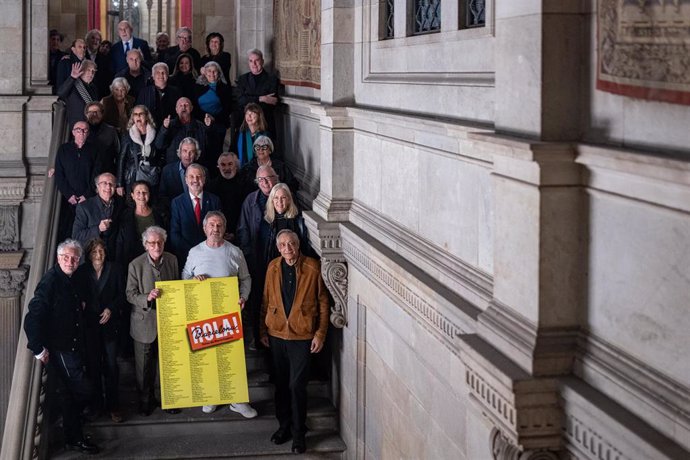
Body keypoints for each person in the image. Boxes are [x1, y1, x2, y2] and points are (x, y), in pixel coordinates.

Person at [24, 239, 100, 454]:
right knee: (83, 390)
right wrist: (38, 349)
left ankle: (73, 438)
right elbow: (32, 318)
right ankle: (73, 431)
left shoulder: (74, 277)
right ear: (58, 259)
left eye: (74, 258)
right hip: (61, 348)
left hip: (75, 344)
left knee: (70, 395)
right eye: (66, 257)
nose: (70, 261)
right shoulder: (50, 281)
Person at [181, 211, 257, 417]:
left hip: (229, 313)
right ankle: (211, 396)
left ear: (225, 228)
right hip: (204, 313)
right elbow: (185, 277)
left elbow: (246, 278)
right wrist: (193, 281)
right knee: (207, 355)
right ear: (205, 228)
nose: (215, 229)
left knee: (233, 357)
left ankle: (237, 400)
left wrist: (243, 297)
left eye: (219, 225)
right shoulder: (195, 251)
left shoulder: (235, 252)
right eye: (212, 225)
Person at [260, 229, 329, 454]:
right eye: (283, 245)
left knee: (296, 386)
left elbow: (323, 302)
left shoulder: (312, 267)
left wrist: (320, 334)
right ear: (278, 248)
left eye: (291, 244)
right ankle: (284, 427)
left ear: (298, 245)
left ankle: (299, 433)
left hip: (302, 336)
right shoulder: (272, 267)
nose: (287, 248)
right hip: (277, 334)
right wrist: (262, 329)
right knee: (281, 385)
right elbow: (265, 300)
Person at [126, 226, 180, 416]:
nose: (156, 246)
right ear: (145, 245)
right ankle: (145, 401)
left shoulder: (172, 260)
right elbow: (130, 295)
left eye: (159, 242)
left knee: (166, 364)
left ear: (164, 243)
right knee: (144, 366)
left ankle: (167, 400)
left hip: (168, 321)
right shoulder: (135, 264)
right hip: (144, 323)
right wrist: (146, 297)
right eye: (152, 243)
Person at [83, 238, 125, 424]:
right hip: (90, 326)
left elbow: (122, 294)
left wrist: (111, 309)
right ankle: (96, 405)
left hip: (110, 325)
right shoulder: (82, 272)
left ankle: (113, 406)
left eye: (101, 251)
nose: (98, 255)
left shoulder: (115, 269)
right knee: (93, 367)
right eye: (94, 252)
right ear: (89, 254)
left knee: (111, 367)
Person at [236, 165, 279, 346]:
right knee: (256, 299)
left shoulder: (281, 196)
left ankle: (274, 337)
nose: (265, 182)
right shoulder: (250, 200)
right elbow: (243, 229)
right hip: (256, 258)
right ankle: (258, 338)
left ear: (276, 178)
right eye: (261, 179)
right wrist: (247, 255)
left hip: (276, 259)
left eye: (268, 178)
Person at [169, 163, 221, 266]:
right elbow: (175, 233)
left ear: (204, 179)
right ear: (186, 180)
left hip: (210, 256)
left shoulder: (214, 200)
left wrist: (207, 249)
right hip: (186, 257)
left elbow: (219, 229)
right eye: (191, 176)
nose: (195, 180)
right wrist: (193, 251)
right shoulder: (177, 202)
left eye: (199, 176)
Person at [54, 121, 97, 241]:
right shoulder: (63, 149)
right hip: (69, 200)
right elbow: (59, 174)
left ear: (88, 133)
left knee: (87, 232)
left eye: (85, 130)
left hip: (88, 199)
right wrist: (68, 194)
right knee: (67, 231)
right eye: (78, 130)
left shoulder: (95, 150)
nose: (82, 132)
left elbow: (97, 174)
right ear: (73, 132)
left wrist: (87, 195)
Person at [72, 172, 125, 259]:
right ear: (97, 186)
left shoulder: (120, 204)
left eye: (111, 184)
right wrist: (98, 229)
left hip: (113, 257)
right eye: (104, 183)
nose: (108, 187)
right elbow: (76, 236)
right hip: (91, 257)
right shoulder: (84, 207)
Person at [194, 61, 232, 171]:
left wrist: (213, 119)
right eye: (209, 71)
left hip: (219, 123)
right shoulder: (198, 86)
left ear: (219, 73)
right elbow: (195, 107)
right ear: (204, 73)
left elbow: (227, 109)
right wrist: (205, 117)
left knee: (216, 152)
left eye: (215, 71)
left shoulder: (224, 88)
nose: (212, 73)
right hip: (201, 123)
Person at [117, 105, 163, 196]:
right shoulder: (127, 135)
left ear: (146, 116)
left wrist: (158, 168)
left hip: (151, 175)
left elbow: (161, 154)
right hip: (133, 175)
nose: (138, 116)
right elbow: (121, 159)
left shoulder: (155, 133)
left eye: (141, 114)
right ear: (132, 118)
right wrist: (119, 183)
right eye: (135, 114)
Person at [234, 49, 279, 137]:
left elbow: (272, 102)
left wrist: (249, 98)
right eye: (251, 61)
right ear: (248, 62)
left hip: (265, 122)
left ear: (262, 61)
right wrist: (261, 98)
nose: (254, 64)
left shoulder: (271, 79)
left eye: (257, 60)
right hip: (245, 122)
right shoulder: (242, 79)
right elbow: (240, 100)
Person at [263, 183, 310, 264]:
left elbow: (304, 248)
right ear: (272, 201)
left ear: (289, 200)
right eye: (276, 198)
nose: (279, 201)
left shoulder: (298, 221)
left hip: (293, 264)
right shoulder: (266, 221)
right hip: (271, 266)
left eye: (283, 197)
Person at [155, 97, 211, 164]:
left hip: (196, 169)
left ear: (191, 108)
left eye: (186, 105)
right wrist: (164, 128)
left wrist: (209, 128)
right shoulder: (169, 125)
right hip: (175, 168)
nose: (183, 107)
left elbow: (209, 146)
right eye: (180, 105)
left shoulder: (200, 126)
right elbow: (159, 145)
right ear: (176, 110)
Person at [207, 152, 248, 240]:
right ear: (218, 167)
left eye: (230, 164)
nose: (226, 168)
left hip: (242, 233)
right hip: (218, 233)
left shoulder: (246, 185)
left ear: (236, 165)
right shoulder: (211, 186)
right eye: (223, 165)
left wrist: (235, 233)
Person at [136, 62, 182, 128]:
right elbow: (138, 111)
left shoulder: (176, 92)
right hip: (150, 129)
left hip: (172, 128)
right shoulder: (144, 92)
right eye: (158, 72)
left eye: (164, 72)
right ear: (153, 76)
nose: (161, 75)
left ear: (168, 75)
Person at [159, 137, 200, 210]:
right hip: (174, 211)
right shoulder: (167, 170)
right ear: (180, 152)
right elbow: (163, 196)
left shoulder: (203, 171)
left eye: (191, 152)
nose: (188, 155)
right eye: (185, 151)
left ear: (196, 154)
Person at [57, 59, 99, 129]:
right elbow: (60, 93)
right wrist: (72, 78)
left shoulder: (93, 88)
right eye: (88, 70)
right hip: (77, 127)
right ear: (82, 70)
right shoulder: (73, 84)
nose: (91, 74)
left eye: (93, 71)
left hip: (91, 125)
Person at [85, 101, 120, 176]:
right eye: (91, 112)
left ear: (102, 114)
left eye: (97, 111)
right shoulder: (81, 130)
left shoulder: (111, 131)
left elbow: (118, 153)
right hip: (86, 173)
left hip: (107, 173)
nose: (94, 114)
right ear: (86, 114)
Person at [84, 29, 112, 97]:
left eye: (98, 39)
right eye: (93, 38)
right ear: (87, 40)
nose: (95, 41)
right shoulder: (82, 55)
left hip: (100, 94)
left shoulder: (105, 58)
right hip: (84, 93)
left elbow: (107, 79)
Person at [49, 29, 67, 93]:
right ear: (49, 40)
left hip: (60, 89)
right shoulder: (44, 57)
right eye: (53, 39)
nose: (55, 42)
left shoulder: (65, 56)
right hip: (46, 89)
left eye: (58, 40)